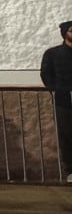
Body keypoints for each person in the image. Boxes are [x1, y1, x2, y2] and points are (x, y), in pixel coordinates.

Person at [39, 21, 72, 184]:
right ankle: (70, 170)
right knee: (66, 134)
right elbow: (46, 74)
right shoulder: (53, 53)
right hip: (64, 101)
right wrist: (57, 89)